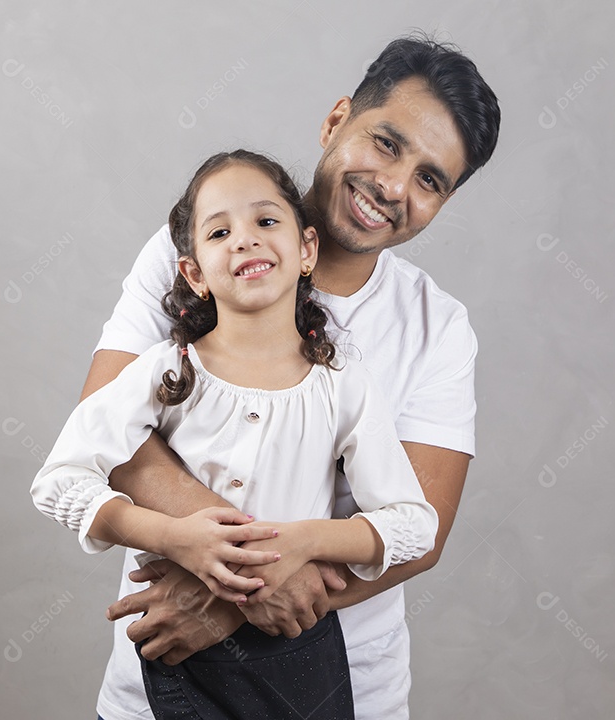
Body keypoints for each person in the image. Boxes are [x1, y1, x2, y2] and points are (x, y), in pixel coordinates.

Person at [84, 33, 500, 720]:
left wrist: (228, 601)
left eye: (430, 180)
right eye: (386, 143)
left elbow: (420, 529)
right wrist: (247, 579)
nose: (393, 187)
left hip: (346, 685)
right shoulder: (199, 244)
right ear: (337, 121)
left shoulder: (437, 327)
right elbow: (106, 415)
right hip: (161, 677)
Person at [32, 150, 439, 719]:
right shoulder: (164, 372)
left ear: (306, 251)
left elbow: (415, 525)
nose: (245, 239)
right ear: (193, 273)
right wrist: (173, 538)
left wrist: (301, 544)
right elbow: (58, 480)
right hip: (176, 665)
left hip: (296, 665)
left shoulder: (343, 385)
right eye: (219, 231)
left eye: (267, 221)